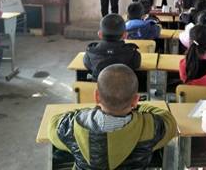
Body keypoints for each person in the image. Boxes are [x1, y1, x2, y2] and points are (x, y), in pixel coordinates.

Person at [48, 64, 177, 169]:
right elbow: (169, 120)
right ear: (135, 100)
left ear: (96, 96)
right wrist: (138, 107)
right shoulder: (150, 127)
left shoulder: (73, 126)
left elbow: (53, 125)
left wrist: (86, 111)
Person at [83, 14, 141, 81]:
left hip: (99, 87)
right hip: (125, 86)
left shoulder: (91, 53)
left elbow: (87, 65)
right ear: (125, 35)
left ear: (100, 34)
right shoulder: (132, 54)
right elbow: (136, 65)